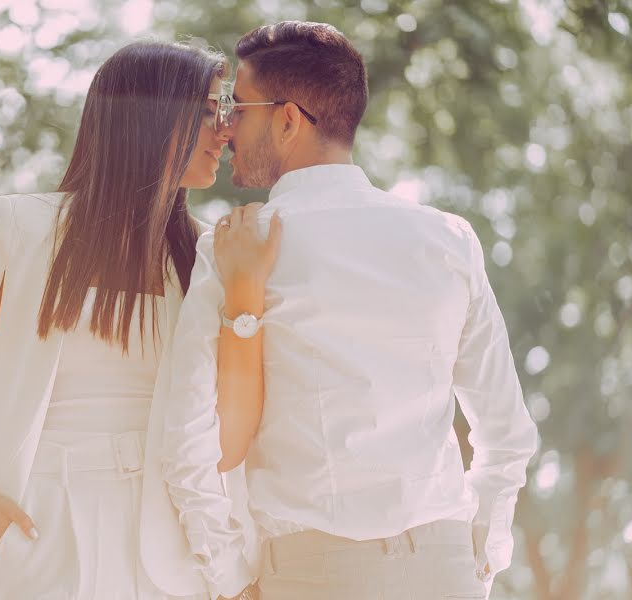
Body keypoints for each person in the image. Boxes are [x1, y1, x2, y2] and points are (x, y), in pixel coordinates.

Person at [0, 40, 275, 599]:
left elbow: (219, 425)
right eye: (209, 111)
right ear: (154, 117)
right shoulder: (21, 228)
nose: (224, 129)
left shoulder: (204, 254)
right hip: (45, 530)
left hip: (171, 544)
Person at [163, 21, 539, 600]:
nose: (226, 126)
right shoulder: (446, 239)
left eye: (239, 107)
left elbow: (189, 436)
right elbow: (506, 434)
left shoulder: (237, 244)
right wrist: (475, 565)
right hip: (445, 568)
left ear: (288, 119)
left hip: (315, 574)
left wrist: (230, 580)